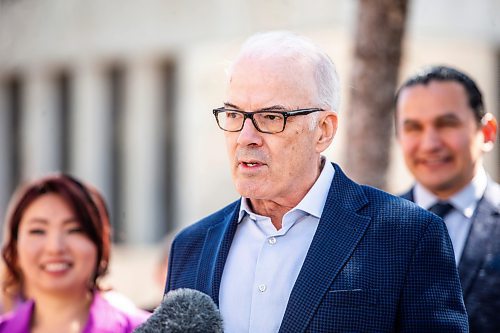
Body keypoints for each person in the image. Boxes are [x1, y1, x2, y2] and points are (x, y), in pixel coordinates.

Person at [165, 31, 468, 332]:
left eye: (271, 117)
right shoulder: (189, 246)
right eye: (234, 114)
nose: (246, 137)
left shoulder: (408, 236)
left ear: (323, 130)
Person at [395, 65, 499, 332]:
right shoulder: (370, 227)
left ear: (487, 132)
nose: (430, 143)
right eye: (413, 127)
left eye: (446, 124)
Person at [0, 174, 150, 333]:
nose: (55, 247)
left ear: (100, 244)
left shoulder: (147, 329)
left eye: (74, 230)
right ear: (14, 247)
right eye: (38, 231)